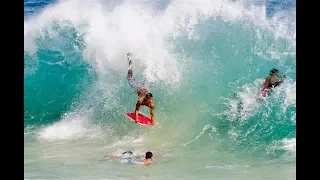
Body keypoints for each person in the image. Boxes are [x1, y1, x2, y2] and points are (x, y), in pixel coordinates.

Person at [126, 53, 155, 125]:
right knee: (129, 77)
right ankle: (130, 61)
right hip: (137, 87)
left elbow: (152, 114)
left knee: (148, 77)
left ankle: (149, 63)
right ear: (146, 99)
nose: (150, 102)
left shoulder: (151, 104)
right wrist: (136, 119)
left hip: (145, 87)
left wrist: (153, 122)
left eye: (151, 100)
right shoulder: (140, 100)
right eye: (149, 101)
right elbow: (137, 110)